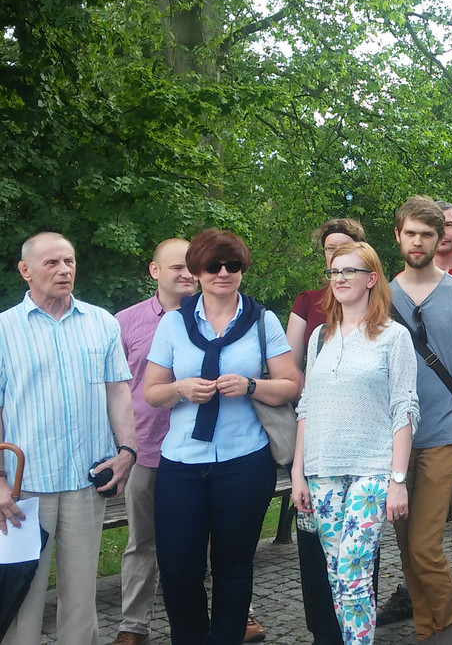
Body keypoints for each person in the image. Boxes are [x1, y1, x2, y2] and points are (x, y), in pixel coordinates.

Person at [0, 231, 137, 645]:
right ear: (25, 271)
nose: (63, 270)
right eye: (52, 263)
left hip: (84, 482)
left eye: (69, 261)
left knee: (81, 596)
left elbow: (118, 392)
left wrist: (126, 450)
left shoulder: (101, 323)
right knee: (20, 595)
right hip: (22, 493)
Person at [143, 229, 301, 643]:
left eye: (233, 265)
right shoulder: (175, 322)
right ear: (196, 271)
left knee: (234, 566)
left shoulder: (262, 320)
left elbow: (291, 385)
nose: (224, 273)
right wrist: (180, 389)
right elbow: (152, 391)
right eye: (213, 265)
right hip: (181, 462)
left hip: (244, 460)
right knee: (178, 569)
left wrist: (251, 385)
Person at [291, 241, 419, 644]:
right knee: (336, 578)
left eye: (350, 271)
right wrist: (298, 472)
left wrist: (398, 478)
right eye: (335, 272)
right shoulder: (318, 339)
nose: (341, 278)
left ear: (371, 279)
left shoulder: (393, 337)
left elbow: (404, 408)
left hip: (372, 469)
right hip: (322, 470)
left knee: (354, 570)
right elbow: (307, 406)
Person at [388, 196, 452, 639]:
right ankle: (426, 632)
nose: (418, 241)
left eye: (427, 234)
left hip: (446, 433)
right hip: (394, 438)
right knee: (407, 551)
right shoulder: (379, 295)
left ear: (440, 238)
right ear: (398, 235)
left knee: (426, 546)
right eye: (410, 233)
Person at [112, 238, 197, 645]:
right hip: (145, 448)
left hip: (200, 450)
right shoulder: (125, 323)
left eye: (192, 266)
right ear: (154, 271)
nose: (186, 274)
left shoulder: (214, 316)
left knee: (211, 537)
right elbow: (112, 389)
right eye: (176, 266)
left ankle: (240, 614)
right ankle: (133, 625)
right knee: (141, 541)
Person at [286, 218, 367, 645]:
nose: (335, 257)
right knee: (315, 546)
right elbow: (294, 370)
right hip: (317, 446)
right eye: (328, 251)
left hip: (363, 453)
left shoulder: (375, 309)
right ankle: (323, 630)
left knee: (356, 556)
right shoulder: (309, 306)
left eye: (344, 249)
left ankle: (355, 628)